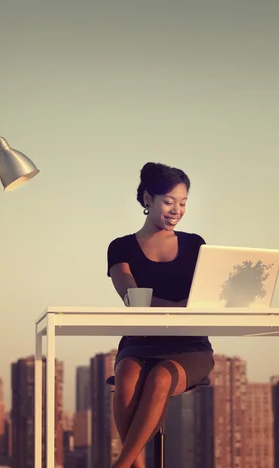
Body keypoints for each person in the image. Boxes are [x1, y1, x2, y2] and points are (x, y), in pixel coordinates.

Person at [106, 162, 214, 468]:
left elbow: (207, 296)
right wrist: (180, 306)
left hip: (188, 345)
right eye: (168, 202)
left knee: (160, 376)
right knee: (126, 375)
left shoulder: (196, 245)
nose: (176, 210)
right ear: (146, 199)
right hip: (140, 341)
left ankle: (121, 465)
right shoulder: (120, 247)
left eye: (183, 203)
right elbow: (132, 297)